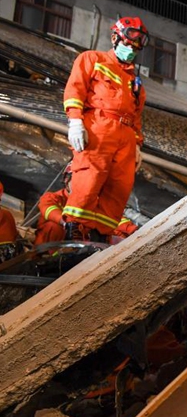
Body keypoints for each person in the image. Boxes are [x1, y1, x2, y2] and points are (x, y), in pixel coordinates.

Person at [62, 16, 148, 242]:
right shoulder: (92, 59)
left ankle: (100, 236)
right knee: (89, 179)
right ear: (115, 38)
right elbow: (75, 89)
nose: (130, 50)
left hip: (126, 135)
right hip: (99, 127)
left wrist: (137, 145)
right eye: (127, 44)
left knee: (119, 188)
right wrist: (76, 121)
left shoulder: (136, 83)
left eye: (134, 47)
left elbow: (136, 115)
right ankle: (75, 233)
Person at [35, 163, 138, 245]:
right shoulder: (53, 198)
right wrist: (67, 223)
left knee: (111, 233)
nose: (84, 184)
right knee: (54, 227)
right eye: (79, 180)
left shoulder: (93, 202)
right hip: (53, 250)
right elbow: (47, 208)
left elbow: (112, 220)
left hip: (82, 248)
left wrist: (132, 231)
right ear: (67, 180)